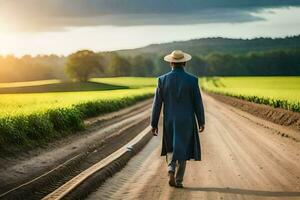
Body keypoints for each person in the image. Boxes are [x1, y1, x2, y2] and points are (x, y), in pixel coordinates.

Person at [151, 50, 205, 188]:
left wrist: (154, 123)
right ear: (185, 63)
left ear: (170, 62)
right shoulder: (193, 80)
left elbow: (157, 104)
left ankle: (170, 168)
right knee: (183, 148)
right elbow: (198, 103)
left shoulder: (162, 80)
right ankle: (179, 180)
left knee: (171, 147)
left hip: (169, 120)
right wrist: (201, 121)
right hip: (187, 121)